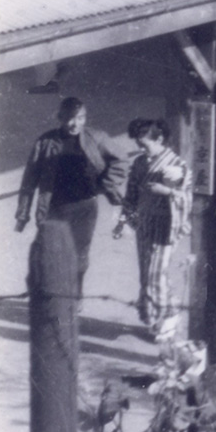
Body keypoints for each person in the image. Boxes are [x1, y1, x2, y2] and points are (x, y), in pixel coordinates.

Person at [16, 97, 128, 296]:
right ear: (59, 118)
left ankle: (75, 296)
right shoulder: (45, 142)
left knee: (79, 255)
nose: (75, 124)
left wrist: (104, 185)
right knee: (47, 252)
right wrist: (22, 214)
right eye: (70, 119)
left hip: (85, 207)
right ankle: (48, 295)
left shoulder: (97, 137)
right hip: (54, 207)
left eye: (80, 118)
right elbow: (29, 179)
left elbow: (120, 160)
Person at [114, 119, 192, 337]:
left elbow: (187, 197)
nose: (141, 150)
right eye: (139, 145)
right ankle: (165, 311)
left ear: (159, 139)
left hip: (166, 226)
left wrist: (166, 191)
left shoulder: (177, 165)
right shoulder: (140, 163)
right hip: (144, 223)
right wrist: (123, 221)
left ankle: (169, 317)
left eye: (145, 145)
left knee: (155, 275)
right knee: (149, 273)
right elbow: (131, 195)